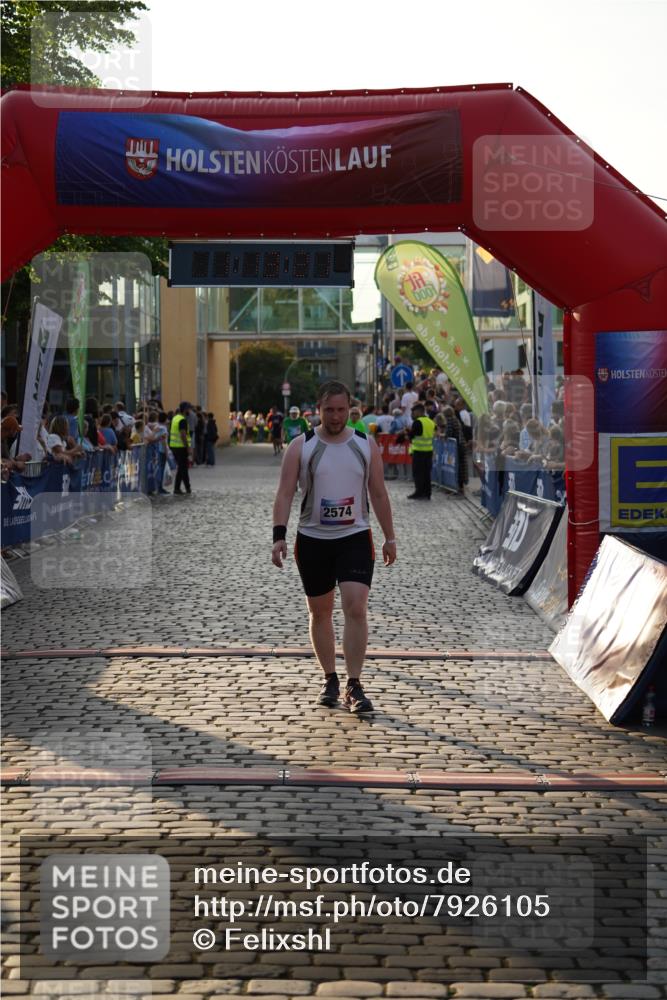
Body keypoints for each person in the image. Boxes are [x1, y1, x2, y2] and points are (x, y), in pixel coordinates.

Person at [271, 379, 397, 714]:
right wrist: (278, 536)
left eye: (342, 410)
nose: (336, 416)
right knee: (320, 611)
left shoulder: (364, 444)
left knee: (355, 607)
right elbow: (284, 493)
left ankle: (355, 683)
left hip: (355, 537)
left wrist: (390, 536)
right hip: (313, 540)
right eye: (330, 410)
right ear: (319, 410)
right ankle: (330, 678)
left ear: (350, 409)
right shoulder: (301, 446)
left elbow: (379, 494)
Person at [407, 402, 435, 500]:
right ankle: (427, 493)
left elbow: (412, 435)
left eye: (413, 413)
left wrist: (408, 433)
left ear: (419, 412)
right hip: (429, 452)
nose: (412, 415)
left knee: (418, 473)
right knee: (427, 473)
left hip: (419, 452)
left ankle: (419, 492)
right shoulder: (430, 421)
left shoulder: (418, 422)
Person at [169, 401, 193, 495]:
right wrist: (188, 447)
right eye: (188, 409)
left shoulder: (175, 418)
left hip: (174, 446)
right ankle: (188, 487)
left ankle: (177, 488)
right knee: (184, 469)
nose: (189, 411)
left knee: (181, 468)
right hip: (181, 447)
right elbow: (183, 435)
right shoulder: (182, 420)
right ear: (185, 409)